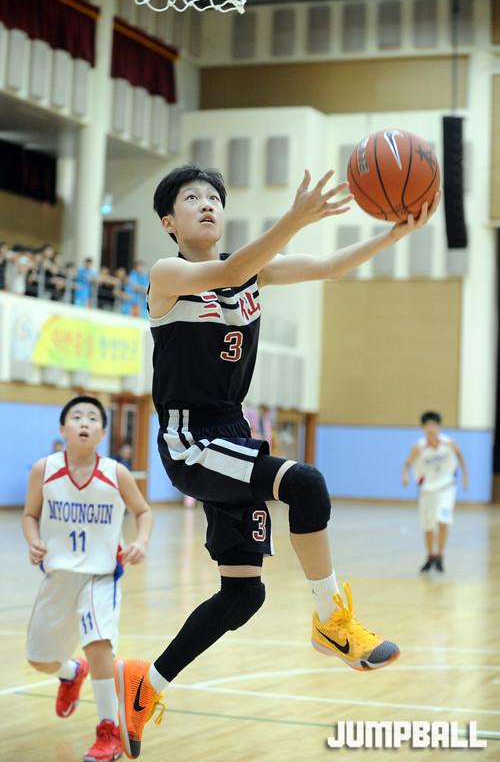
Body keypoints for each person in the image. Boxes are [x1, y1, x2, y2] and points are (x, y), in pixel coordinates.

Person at [114, 165, 440, 760]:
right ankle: (331, 621)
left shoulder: (253, 271)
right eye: (192, 198)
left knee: (243, 595)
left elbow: (328, 266)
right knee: (305, 484)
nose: (207, 205)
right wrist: (294, 217)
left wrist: (394, 234)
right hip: (191, 440)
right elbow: (229, 272)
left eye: (215, 197)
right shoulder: (168, 274)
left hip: (233, 434)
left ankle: (146, 683)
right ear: (168, 222)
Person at [22, 395, 153, 762]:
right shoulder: (44, 469)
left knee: (98, 644)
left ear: (102, 433)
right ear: (63, 429)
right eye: (76, 416)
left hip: (101, 575)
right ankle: (70, 672)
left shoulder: (116, 473)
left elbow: (143, 511)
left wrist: (141, 541)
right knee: (39, 659)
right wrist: (33, 541)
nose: (84, 422)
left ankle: (108, 731)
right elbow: (30, 515)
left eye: (93, 418)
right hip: (59, 575)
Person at [402, 410, 468, 573]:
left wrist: (465, 475)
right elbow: (407, 463)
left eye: (434, 425)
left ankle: (440, 555)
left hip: (446, 487)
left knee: (443, 521)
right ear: (423, 428)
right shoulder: (419, 447)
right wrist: (405, 475)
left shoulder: (448, 443)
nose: (431, 428)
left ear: (439, 427)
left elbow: (460, 456)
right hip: (427, 490)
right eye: (428, 426)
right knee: (428, 526)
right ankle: (430, 555)